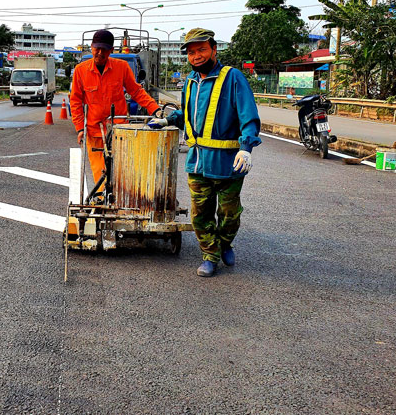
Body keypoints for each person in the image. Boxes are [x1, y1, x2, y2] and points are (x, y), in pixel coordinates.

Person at [148, 28, 261, 277]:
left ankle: (225, 243)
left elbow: (248, 116)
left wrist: (246, 149)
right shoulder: (190, 81)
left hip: (229, 164)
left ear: (213, 49)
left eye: (201, 50)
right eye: (191, 52)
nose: (196, 55)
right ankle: (210, 255)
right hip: (197, 162)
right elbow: (188, 115)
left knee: (230, 214)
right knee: (201, 214)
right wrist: (168, 120)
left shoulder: (232, 78)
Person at [70, 29, 160, 183]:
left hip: (119, 131)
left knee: (121, 174)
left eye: (104, 49)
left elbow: (136, 91)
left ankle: (118, 203)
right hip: (94, 131)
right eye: (96, 48)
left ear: (111, 50)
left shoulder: (122, 67)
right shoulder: (81, 70)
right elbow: (76, 101)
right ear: (91, 47)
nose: (99, 53)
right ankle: (100, 202)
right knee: (100, 175)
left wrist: (156, 110)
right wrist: (79, 128)